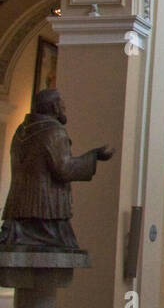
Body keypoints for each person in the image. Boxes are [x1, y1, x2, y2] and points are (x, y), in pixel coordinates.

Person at [0, 88, 113, 251]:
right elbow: (64, 169)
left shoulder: (21, 131)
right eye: (61, 103)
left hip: (20, 209)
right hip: (46, 208)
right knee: (63, 246)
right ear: (54, 107)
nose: (64, 107)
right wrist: (94, 156)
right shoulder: (53, 130)